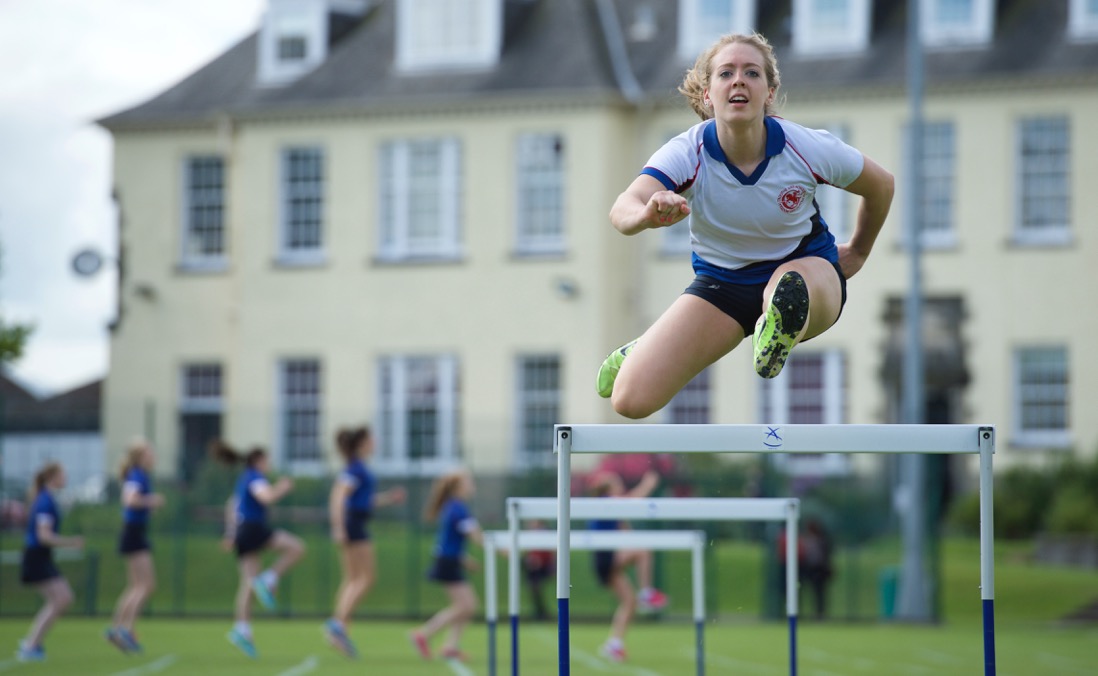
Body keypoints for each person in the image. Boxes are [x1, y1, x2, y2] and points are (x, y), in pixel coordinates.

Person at [596, 32, 894, 418]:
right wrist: (646, 213)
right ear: (707, 95)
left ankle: (780, 319)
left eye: (751, 73)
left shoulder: (805, 146)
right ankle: (650, 346)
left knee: (787, 286)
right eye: (726, 73)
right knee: (630, 400)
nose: (738, 80)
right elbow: (623, 207)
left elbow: (881, 185)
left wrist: (859, 251)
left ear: (769, 92)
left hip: (807, 272)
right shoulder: (688, 152)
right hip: (724, 287)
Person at [213, 441, 306, 659]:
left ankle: (242, 629)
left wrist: (229, 533)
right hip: (253, 530)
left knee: (248, 582)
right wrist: (282, 487)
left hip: (243, 531)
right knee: (297, 548)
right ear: (258, 460)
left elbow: (232, 505)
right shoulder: (254, 476)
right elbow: (266, 496)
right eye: (267, 460)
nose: (269, 464)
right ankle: (270, 578)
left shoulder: (244, 478)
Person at [324, 426, 407, 657]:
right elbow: (338, 497)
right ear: (362, 443)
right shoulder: (355, 468)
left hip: (354, 522)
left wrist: (389, 498)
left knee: (351, 579)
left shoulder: (360, 468)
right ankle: (338, 623)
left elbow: (365, 500)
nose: (375, 442)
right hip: (353, 526)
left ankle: (338, 632)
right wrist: (339, 528)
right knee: (367, 578)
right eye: (371, 439)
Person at [588, 470, 668, 663]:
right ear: (607, 490)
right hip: (604, 557)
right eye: (617, 484)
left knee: (629, 602)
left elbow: (626, 532)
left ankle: (614, 644)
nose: (621, 487)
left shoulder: (616, 513)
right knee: (644, 550)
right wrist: (648, 484)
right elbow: (633, 500)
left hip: (608, 558)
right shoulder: (606, 502)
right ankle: (647, 593)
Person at [410, 468, 482, 662]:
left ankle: (450, 646)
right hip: (447, 561)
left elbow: (450, 540)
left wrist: (464, 558)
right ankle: (424, 635)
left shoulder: (454, 507)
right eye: (469, 482)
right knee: (466, 605)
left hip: (450, 560)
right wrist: (502, 549)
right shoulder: (458, 508)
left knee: (466, 606)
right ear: (458, 487)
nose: (472, 485)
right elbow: (476, 538)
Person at [16, 462, 84, 662]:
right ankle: (30, 645)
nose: (66, 478)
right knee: (62, 598)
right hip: (36, 556)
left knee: (61, 599)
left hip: (41, 555)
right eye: (63, 474)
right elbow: (43, 536)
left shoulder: (47, 499)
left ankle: (32, 643)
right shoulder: (45, 500)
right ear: (52, 477)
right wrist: (70, 542)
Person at [106, 439, 165, 653]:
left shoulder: (140, 474)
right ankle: (125, 629)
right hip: (133, 533)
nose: (154, 456)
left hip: (134, 531)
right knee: (146, 585)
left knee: (136, 586)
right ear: (141, 456)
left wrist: (148, 506)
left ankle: (117, 628)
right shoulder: (137, 474)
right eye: (150, 453)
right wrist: (152, 501)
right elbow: (130, 499)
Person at [522, 520, 555, 621]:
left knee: (536, 587)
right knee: (534, 588)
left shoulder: (544, 533)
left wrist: (552, 564)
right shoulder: (531, 534)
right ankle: (540, 612)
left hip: (543, 566)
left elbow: (551, 550)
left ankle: (542, 612)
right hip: (534, 567)